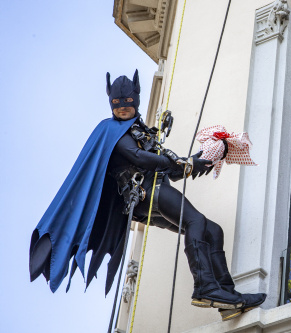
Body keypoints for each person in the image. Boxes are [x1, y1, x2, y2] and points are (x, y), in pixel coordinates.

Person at [29, 70, 265, 321]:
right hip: (144, 193)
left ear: (136, 100)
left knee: (212, 230)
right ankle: (205, 286)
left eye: (127, 103)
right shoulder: (111, 130)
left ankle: (227, 296)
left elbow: (169, 169)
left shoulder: (141, 131)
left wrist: (201, 159)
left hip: (155, 190)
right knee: (194, 221)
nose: (122, 108)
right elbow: (139, 157)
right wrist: (181, 163)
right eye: (117, 104)